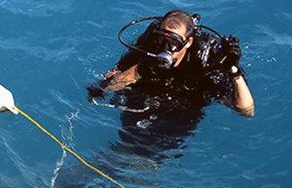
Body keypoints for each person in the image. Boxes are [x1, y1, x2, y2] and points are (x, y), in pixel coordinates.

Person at [89, 9, 255, 117]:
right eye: (162, 39)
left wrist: (233, 70)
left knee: (143, 155)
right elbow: (106, 86)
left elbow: (246, 110)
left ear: (188, 42)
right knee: (128, 142)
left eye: (174, 43)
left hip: (182, 109)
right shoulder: (149, 46)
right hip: (145, 97)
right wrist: (142, 69)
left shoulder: (204, 58)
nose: (166, 48)